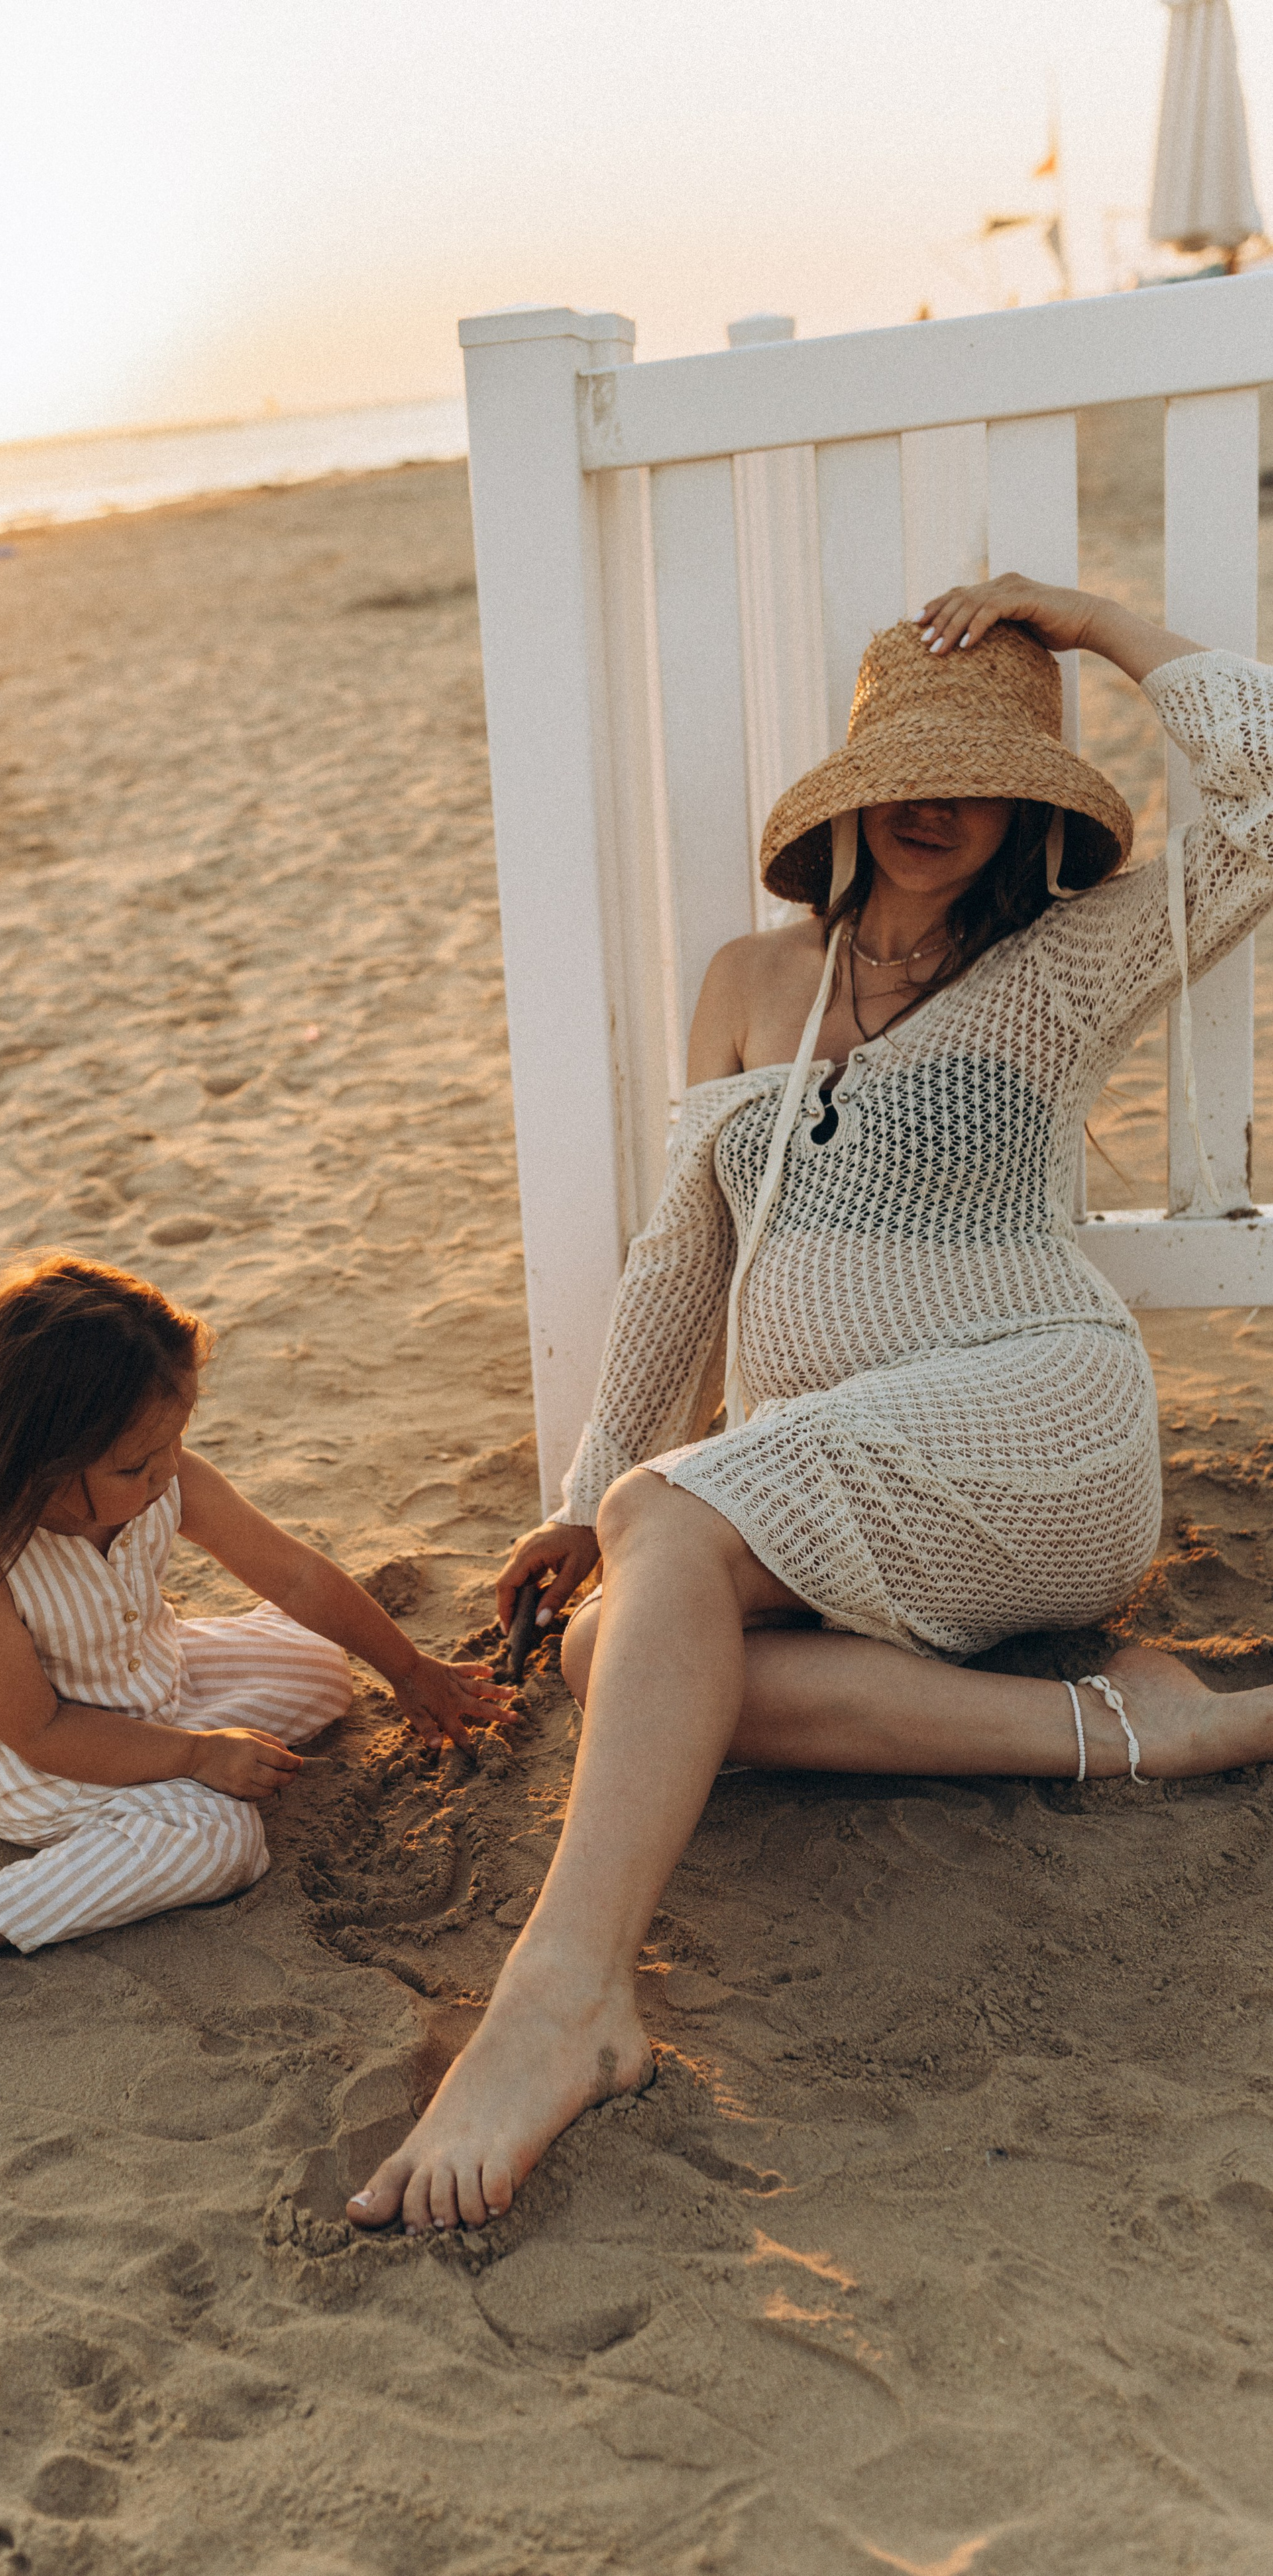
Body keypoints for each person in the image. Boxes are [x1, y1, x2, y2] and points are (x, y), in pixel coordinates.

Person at [347, 574, 1273, 2236]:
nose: (934, 801)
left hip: (1033, 1421)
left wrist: (1088, 619)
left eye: (980, 770)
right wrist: (587, 1485)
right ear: (850, 786)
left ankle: (559, 2000)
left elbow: (1266, 792)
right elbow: (671, 1260)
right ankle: (1132, 1727)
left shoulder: (1063, 966)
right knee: (599, 1641)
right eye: (906, 763)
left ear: (1028, 807)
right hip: (832, 1483)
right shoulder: (747, 980)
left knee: (662, 1563)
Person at [0, 1252, 510, 2021]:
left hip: (154, 1681)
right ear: (38, 1460)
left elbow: (290, 1577)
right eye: (136, 1463)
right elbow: (38, 1728)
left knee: (321, 1667)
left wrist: (408, 1668)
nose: (165, 1474)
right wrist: (199, 1755)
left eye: (173, 1443)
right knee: (222, 1839)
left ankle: (176, 1771)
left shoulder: (162, 1475)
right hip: (27, 1754)